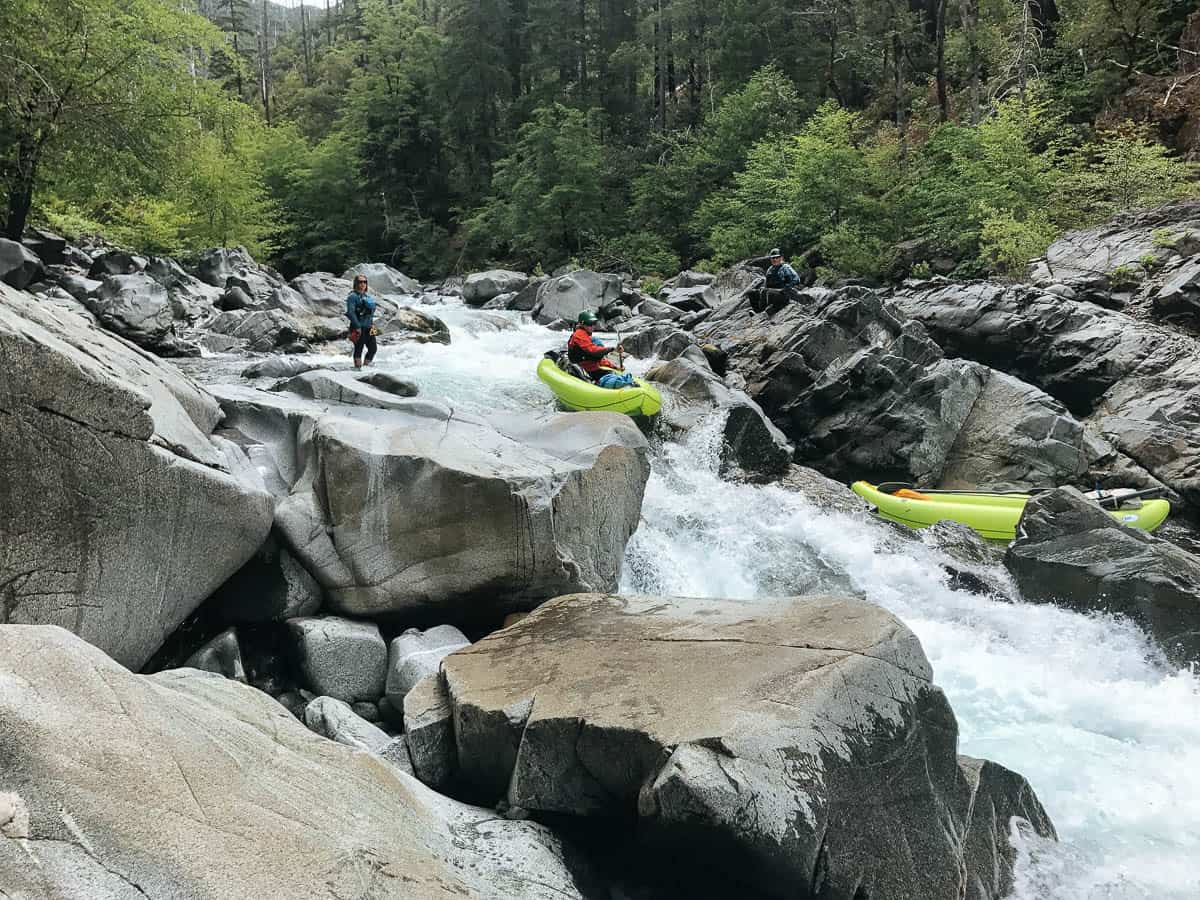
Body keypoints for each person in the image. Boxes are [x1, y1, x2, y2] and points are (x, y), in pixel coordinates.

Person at [567, 311, 634, 388]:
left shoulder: (587, 336)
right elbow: (594, 351)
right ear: (582, 324)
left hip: (591, 366)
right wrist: (613, 349)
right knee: (608, 377)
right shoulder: (579, 334)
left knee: (610, 373)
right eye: (589, 324)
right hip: (584, 368)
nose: (592, 326)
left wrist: (615, 368)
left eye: (594, 323)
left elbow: (599, 360)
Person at [346, 275, 378, 368]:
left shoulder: (367, 296)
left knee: (373, 349)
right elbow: (350, 313)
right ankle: (358, 369)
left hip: (369, 326)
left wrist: (372, 325)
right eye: (360, 282)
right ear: (356, 283)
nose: (363, 284)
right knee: (359, 349)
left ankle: (366, 367)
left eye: (364, 282)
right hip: (358, 327)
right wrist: (357, 327)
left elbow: (370, 313)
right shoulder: (352, 297)